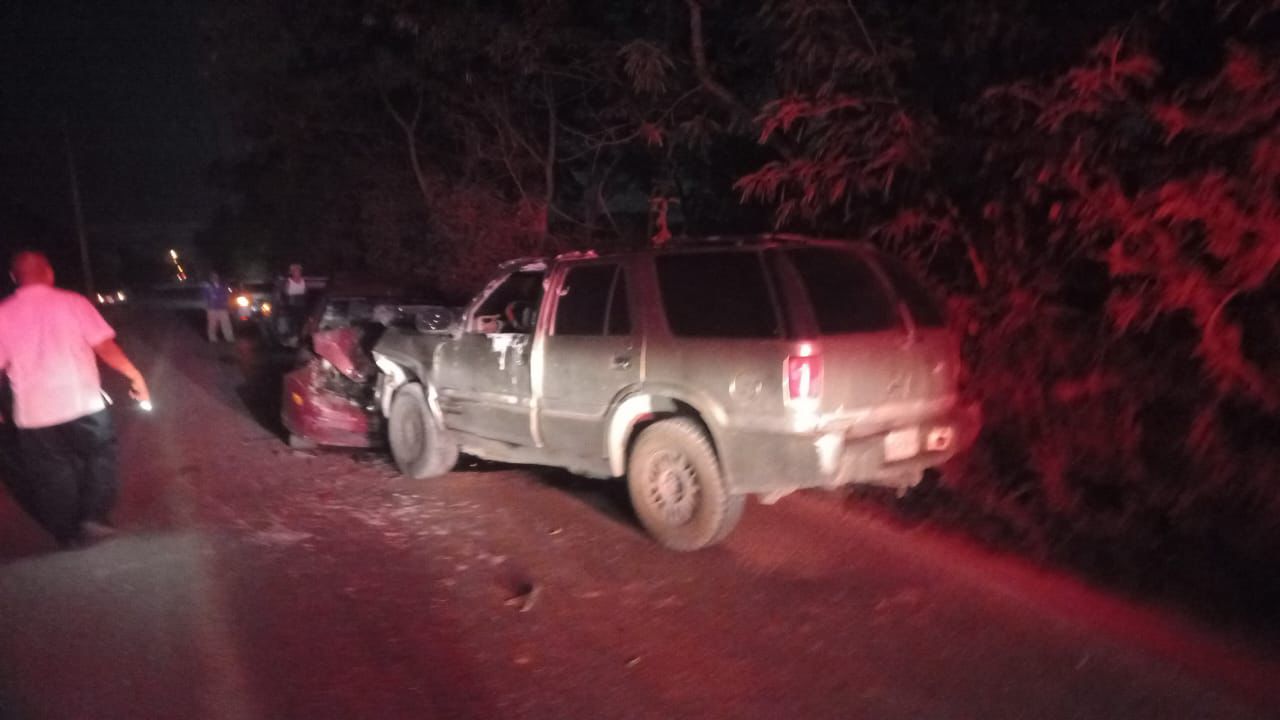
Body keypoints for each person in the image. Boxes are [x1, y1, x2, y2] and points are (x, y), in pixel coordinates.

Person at [0, 250, 150, 548]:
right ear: (50, 273)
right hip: (84, 404)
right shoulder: (74, 303)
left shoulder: (2, 314)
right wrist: (135, 375)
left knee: (52, 474)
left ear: (14, 278)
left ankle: (67, 532)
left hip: (35, 414)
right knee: (100, 458)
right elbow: (105, 347)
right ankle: (93, 518)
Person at [278, 262, 308, 346]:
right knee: (292, 323)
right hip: (291, 306)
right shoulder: (288, 282)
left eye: (298, 271)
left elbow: (305, 293)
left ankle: (299, 339)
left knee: (300, 323)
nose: (297, 272)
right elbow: (284, 294)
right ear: (291, 272)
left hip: (301, 306)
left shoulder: (303, 281)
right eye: (295, 271)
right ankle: (292, 340)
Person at [203, 271, 236, 343]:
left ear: (218, 277)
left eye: (215, 276)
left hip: (222, 308)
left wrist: (228, 305)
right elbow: (205, 297)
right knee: (212, 324)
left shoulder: (223, 286)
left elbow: (227, 296)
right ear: (210, 278)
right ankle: (212, 338)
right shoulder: (207, 287)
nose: (214, 278)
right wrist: (206, 306)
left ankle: (229, 338)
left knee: (226, 324)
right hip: (212, 308)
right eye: (212, 277)